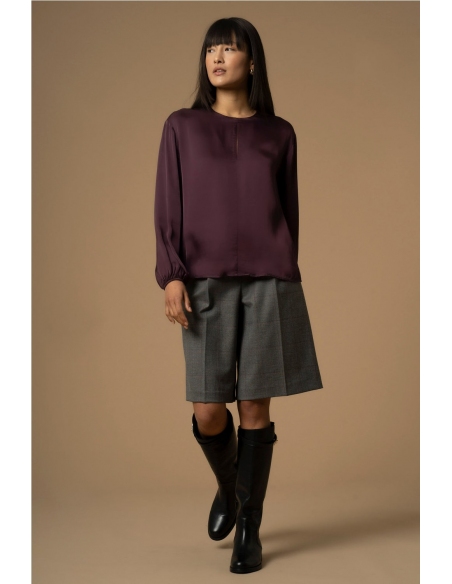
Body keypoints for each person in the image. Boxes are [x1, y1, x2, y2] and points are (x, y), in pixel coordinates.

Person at [154, 17, 323, 574]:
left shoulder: (280, 134)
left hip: (269, 281)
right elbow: (168, 204)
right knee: (208, 408)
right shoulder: (181, 127)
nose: (218, 57)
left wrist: (286, 271)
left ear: (252, 61)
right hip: (203, 280)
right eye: (211, 49)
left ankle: (250, 525)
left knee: (254, 405)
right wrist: (172, 274)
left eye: (230, 48)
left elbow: (289, 212)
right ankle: (230, 488)